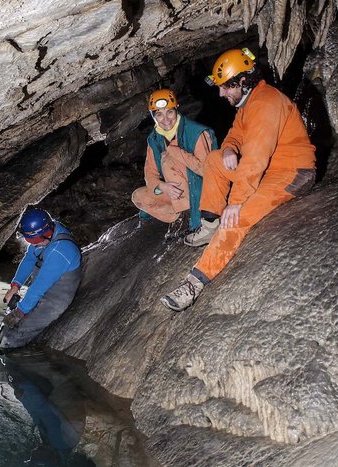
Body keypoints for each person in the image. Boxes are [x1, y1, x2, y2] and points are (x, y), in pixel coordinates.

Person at [161, 48, 317, 311]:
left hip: (291, 172)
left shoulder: (266, 103)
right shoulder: (248, 103)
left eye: (225, 87)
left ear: (243, 81)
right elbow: (235, 134)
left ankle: (194, 283)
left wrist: (236, 202)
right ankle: (210, 224)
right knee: (214, 159)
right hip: (269, 166)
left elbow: (255, 161)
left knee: (238, 218)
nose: (221, 94)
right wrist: (231, 148)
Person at [131, 89, 218, 237]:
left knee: (167, 159)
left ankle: (190, 214)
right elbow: (150, 175)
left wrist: (176, 152)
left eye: (169, 112)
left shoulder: (196, 132)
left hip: (202, 190)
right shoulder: (155, 139)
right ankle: (180, 214)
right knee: (138, 196)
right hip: (178, 191)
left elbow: (207, 171)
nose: (165, 119)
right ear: (154, 116)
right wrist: (162, 186)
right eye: (159, 114)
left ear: (177, 109)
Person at [0, 207, 82, 348]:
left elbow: (38, 288)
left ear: (47, 233)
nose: (34, 245)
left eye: (36, 241)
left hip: (55, 299)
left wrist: (19, 312)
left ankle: (6, 356)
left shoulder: (60, 251)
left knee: (17, 334)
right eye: (30, 241)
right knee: (8, 326)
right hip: (42, 289)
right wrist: (15, 286)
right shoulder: (46, 233)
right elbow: (29, 260)